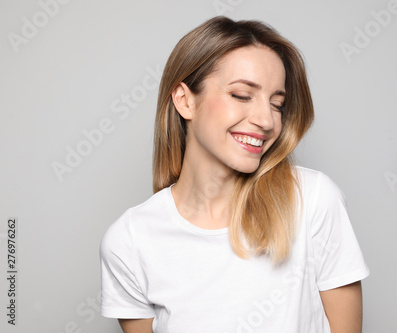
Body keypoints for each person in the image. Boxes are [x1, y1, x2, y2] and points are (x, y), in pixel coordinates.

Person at [100, 16, 370, 333]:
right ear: (185, 100)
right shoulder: (130, 241)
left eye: (277, 103)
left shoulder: (313, 200)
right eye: (242, 95)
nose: (266, 120)